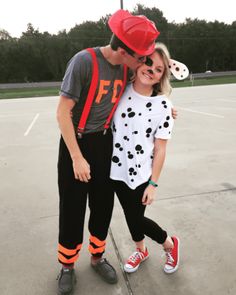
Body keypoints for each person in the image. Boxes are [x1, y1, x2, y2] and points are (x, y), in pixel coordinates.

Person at [56, 9, 161, 295]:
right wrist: (77, 157)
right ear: (123, 50)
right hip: (75, 143)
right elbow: (62, 113)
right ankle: (67, 265)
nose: (143, 61)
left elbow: (144, 91)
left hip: (106, 142)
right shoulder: (83, 62)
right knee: (73, 208)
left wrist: (164, 108)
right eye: (140, 55)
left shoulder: (128, 68)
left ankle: (97, 257)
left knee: (102, 205)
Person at [110, 42, 187, 274]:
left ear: (163, 76)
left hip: (142, 173)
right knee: (129, 215)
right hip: (114, 169)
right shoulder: (120, 88)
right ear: (140, 60)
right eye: (148, 62)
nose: (151, 70)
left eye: (159, 69)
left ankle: (170, 244)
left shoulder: (163, 105)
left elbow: (161, 148)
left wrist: (153, 184)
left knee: (135, 218)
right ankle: (141, 250)